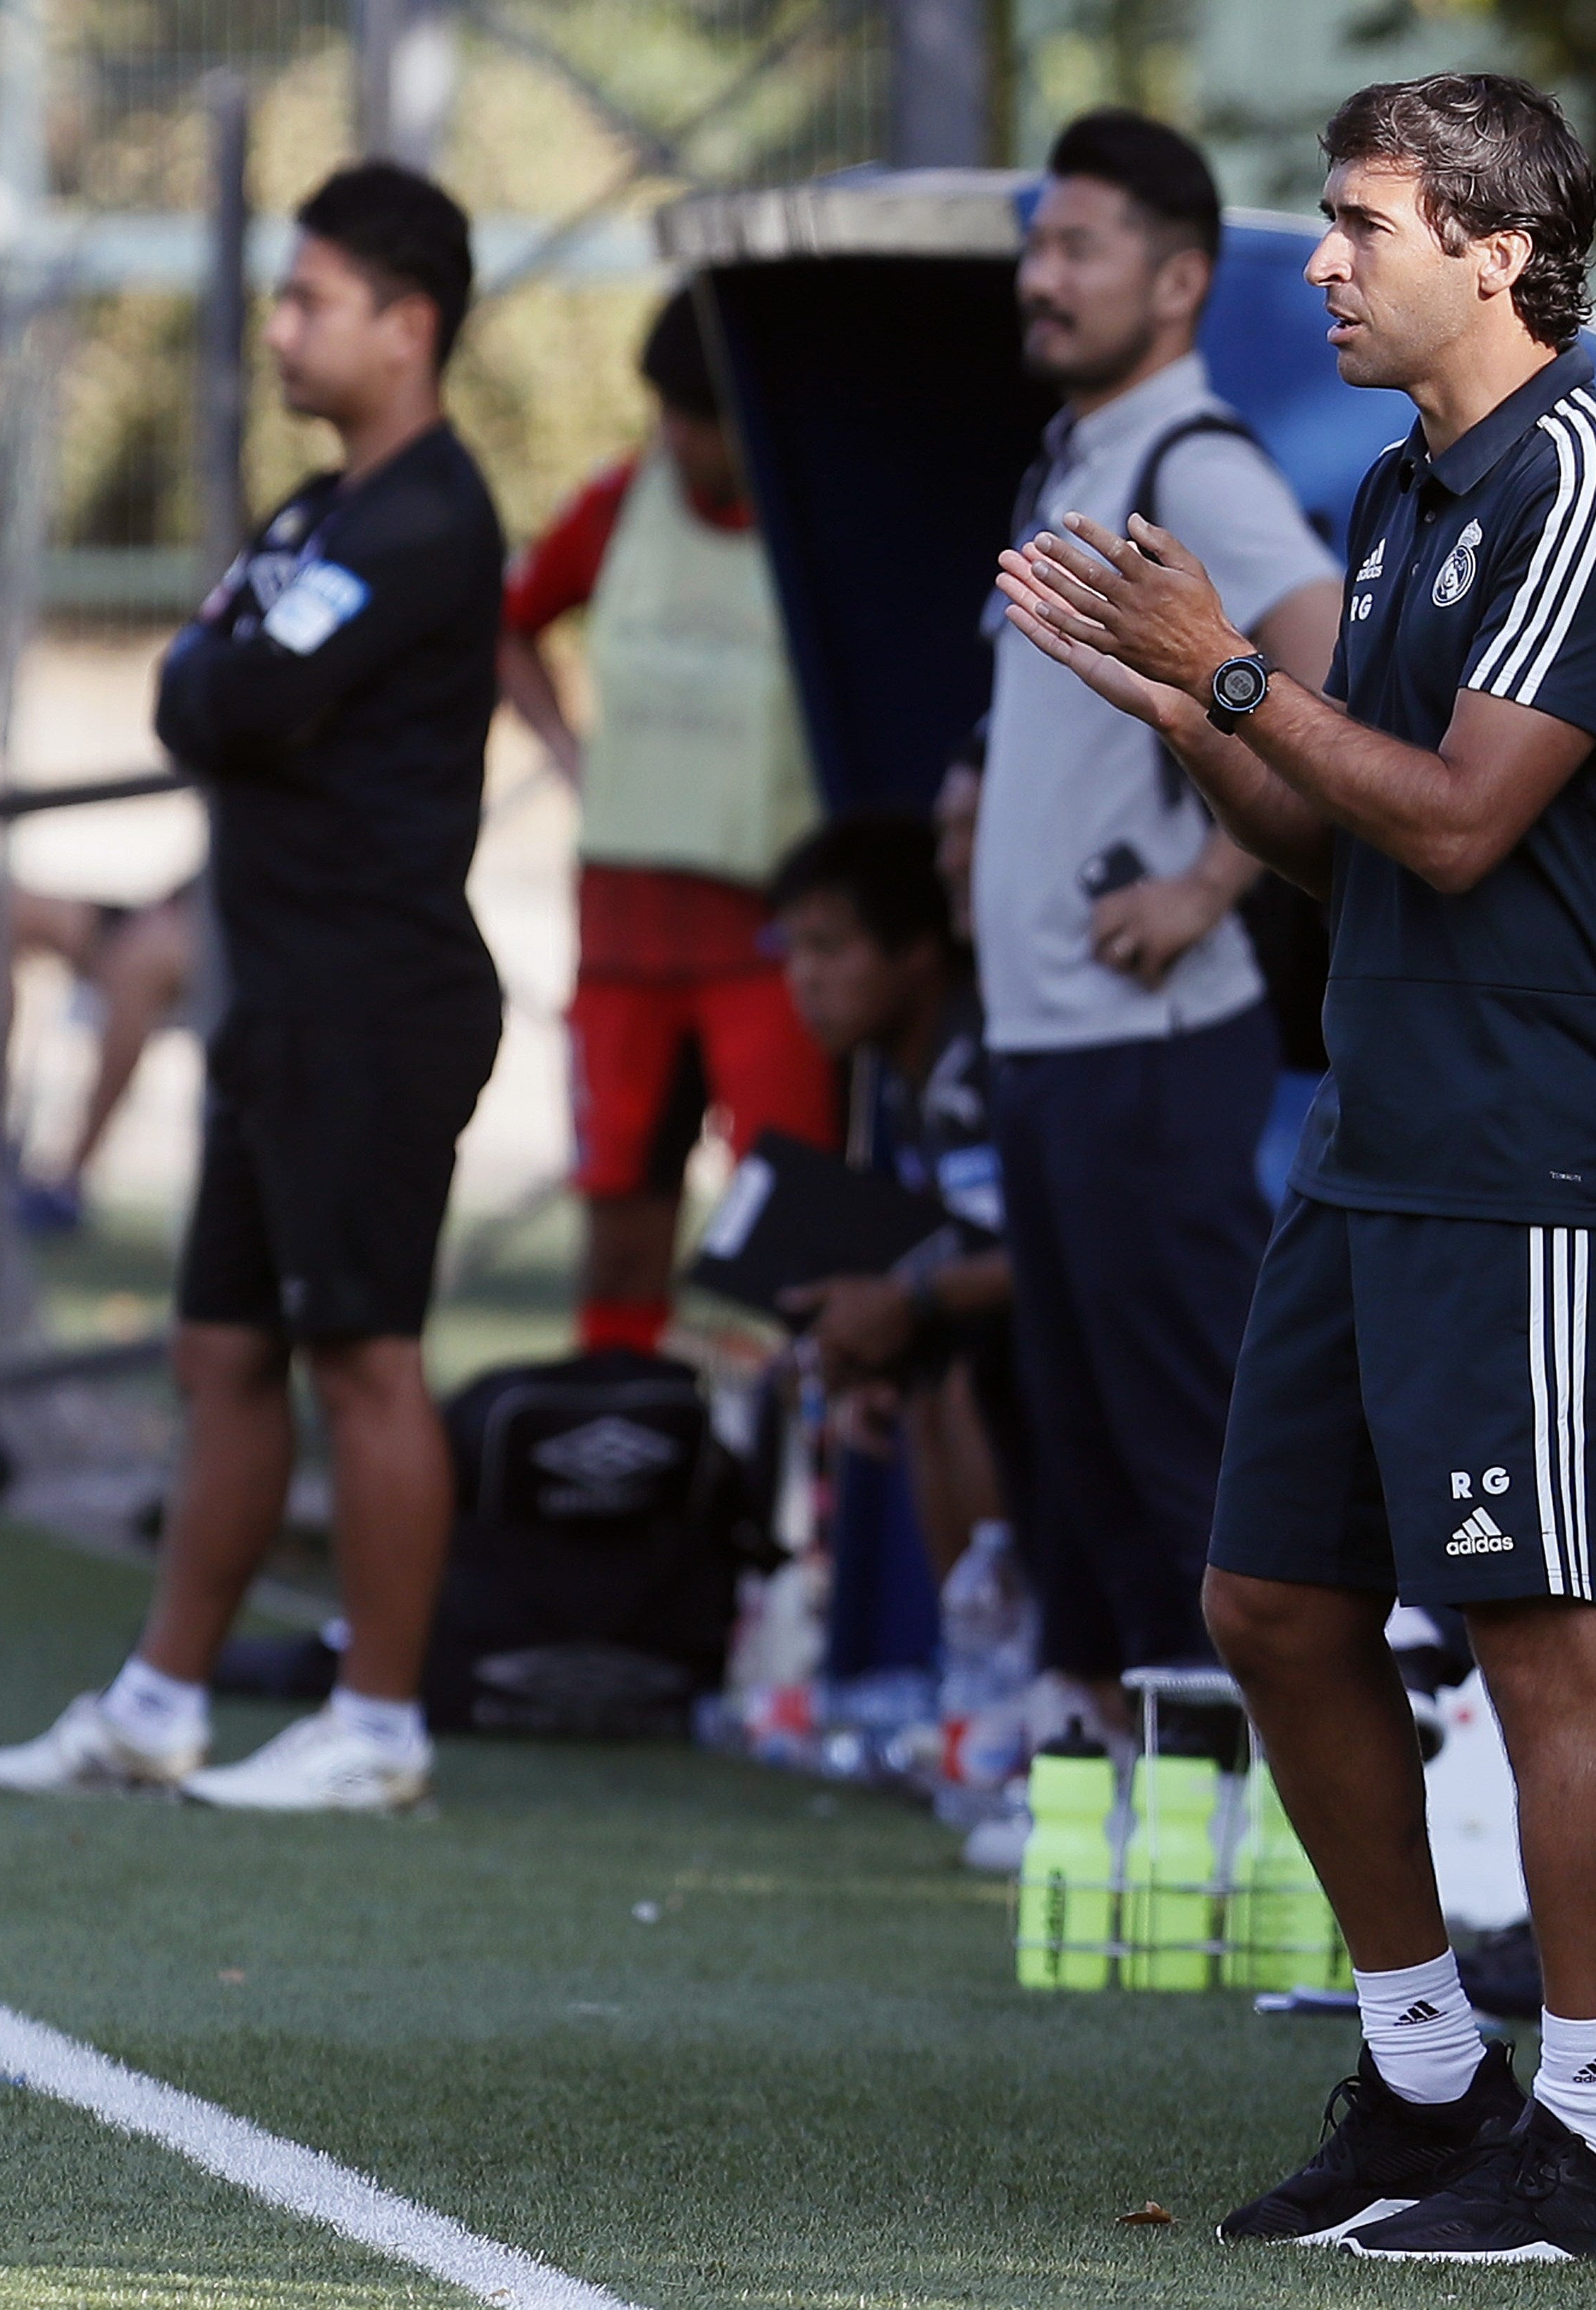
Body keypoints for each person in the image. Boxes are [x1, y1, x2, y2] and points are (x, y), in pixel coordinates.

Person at [1001, 71, 1596, 2262]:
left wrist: (1226, 665)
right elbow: (1321, 830)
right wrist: (1175, 703)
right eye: (1327, 221)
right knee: (1268, 1602)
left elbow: (1464, 815)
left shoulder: (1593, 473)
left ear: (1496, 249)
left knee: (1545, 1641)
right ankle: (1423, 2076)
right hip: (1380, 1138)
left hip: (1530, 1153)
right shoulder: (1406, 494)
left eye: (1362, 225)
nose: (1323, 262)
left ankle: (1589, 2142)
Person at [0, 163, 504, 1812]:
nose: (279, 330)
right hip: (270, 1005)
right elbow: (195, 686)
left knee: (365, 1357)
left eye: (309, 301)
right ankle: (159, 1700)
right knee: (216, 1351)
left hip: (376, 999)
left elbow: (251, 691)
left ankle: (380, 1723)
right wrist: (222, 686)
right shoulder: (312, 514)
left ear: (408, 327)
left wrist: (226, 687)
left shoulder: (430, 515)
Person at [974, 110, 1342, 1704]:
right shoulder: (1081, 450)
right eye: (1036, 246)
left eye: (1077, 249)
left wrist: (1210, 881)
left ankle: (1244, 1797)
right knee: (1069, 1424)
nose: (1039, 279)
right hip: (1048, 1031)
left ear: (1178, 280)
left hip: (1150, 1041)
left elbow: (1320, 642)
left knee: (1176, 1434)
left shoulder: (1195, 458)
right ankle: (1098, 1756)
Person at [500, 295, 837, 1358]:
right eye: (669, 413)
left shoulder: (816, 512)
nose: (683, 437)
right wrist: (564, 751)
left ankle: (781, 1481)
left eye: (705, 414)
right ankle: (614, 1442)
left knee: (785, 1229)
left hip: (771, 940)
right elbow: (508, 625)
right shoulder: (616, 506)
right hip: (624, 936)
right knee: (620, 1230)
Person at [763, 816, 1016, 1582]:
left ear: (917, 953)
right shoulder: (894, 1080)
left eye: (829, 948)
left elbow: (1064, 1253)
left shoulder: (991, 1057)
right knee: (910, 1382)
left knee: (969, 1377)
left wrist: (907, 1305)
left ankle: (1032, 1658)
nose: (802, 978)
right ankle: (975, 1656)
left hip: (1082, 1363)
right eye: (792, 950)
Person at [7, 878, 203, 1233]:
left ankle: (67, 1182)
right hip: (158, 901)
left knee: (142, 961)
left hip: (231, 933)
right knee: (5, 913)